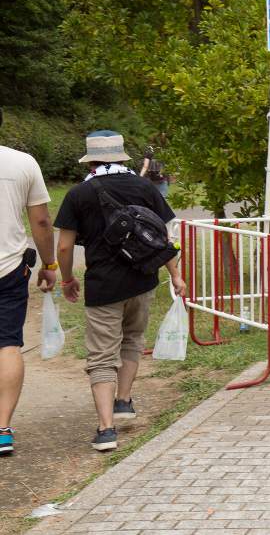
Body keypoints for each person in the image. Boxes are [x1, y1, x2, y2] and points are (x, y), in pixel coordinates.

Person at [52, 130, 187, 452]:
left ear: (91, 161)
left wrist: (67, 279)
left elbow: (65, 247)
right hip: (143, 279)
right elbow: (164, 237)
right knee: (132, 340)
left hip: (103, 286)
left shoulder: (79, 193)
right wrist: (176, 275)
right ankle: (123, 401)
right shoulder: (144, 187)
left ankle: (106, 429)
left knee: (101, 355)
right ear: (121, 156)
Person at [0, 108, 58, 456]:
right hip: (8, 268)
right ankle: (2, 429)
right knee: (7, 343)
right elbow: (41, 222)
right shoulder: (23, 163)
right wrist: (49, 264)